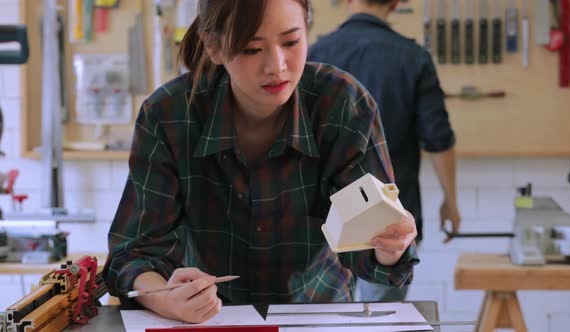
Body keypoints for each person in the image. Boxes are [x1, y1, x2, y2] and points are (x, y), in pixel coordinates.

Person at [104, 0, 419, 324]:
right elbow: (133, 254)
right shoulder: (168, 115)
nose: (277, 65)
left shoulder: (343, 105)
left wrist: (389, 245)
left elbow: (370, 250)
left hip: (318, 316)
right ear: (213, 46)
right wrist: (166, 297)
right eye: (253, 49)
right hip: (208, 318)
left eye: (291, 42)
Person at [308, 0, 460, 302]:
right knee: (382, 320)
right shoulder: (414, 58)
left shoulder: (316, 54)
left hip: (323, 217)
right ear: (396, 3)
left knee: (324, 319)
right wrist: (450, 201)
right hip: (389, 220)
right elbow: (438, 139)